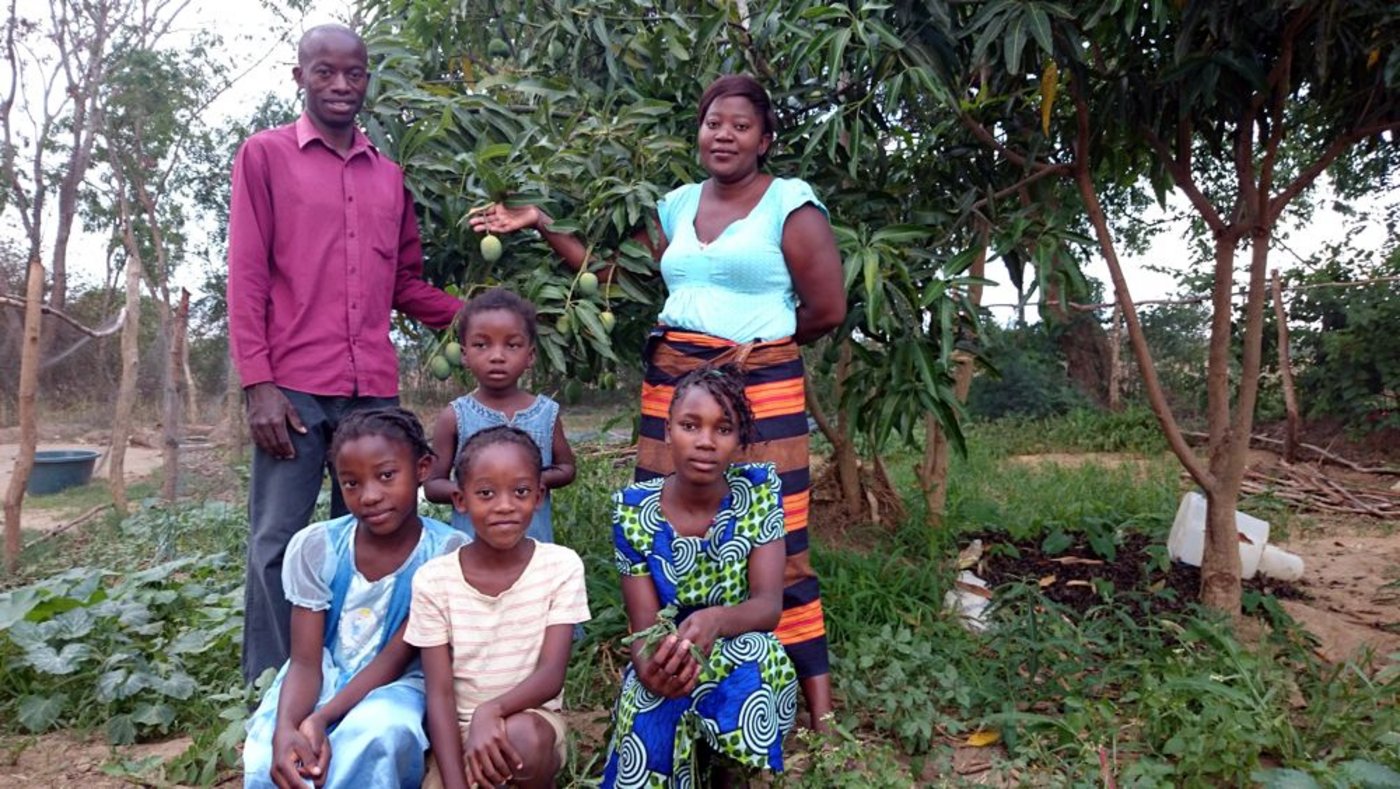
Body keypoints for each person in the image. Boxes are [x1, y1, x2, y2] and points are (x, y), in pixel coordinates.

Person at [469, 73, 845, 725]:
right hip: (675, 385)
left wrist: (755, 348)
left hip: (764, 383)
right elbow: (615, 276)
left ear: (765, 139)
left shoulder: (790, 202)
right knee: (669, 527)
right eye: (713, 122)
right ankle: (672, 676)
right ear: (698, 133)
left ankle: (818, 708)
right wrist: (541, 224)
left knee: (779, 532)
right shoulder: (674, 205)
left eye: (740, 125)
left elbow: (827, 307)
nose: (723, 134)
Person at [227, 23, 463, 684]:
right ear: (298, 76)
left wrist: (473, 316)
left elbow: (406, 284)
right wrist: (258, 382)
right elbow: (246, 274)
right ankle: (272, 685)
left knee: (369, 538)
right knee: (280, 540)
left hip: (372, 392)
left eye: (352, 74)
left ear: (366, 79)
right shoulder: (265, 156)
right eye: (323, 72)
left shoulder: (388, 176)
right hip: (294, 386)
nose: (339, 85)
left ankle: (351, 672)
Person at [242, 407, 467, 789]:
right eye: (351, 483)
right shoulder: (317, 546)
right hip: (319, 680)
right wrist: (286, 727)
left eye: (386, 476)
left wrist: (321, 719)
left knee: (377, 735)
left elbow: (396, 658)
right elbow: (306, 662)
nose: (370, 496)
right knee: (270, 757)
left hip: (395, 684)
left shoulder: (446, 553)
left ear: (423, 468)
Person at [601, 365, 797, 787]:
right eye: (691, 425)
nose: (705, 442)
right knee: (649, 711)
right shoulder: (633, 511)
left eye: (723, 429)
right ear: (669, 431)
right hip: (666, 651)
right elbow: (643, 625)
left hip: (736, 642)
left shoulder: (758, 494)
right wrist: (651, 669)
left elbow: (767, 607)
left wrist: (715, 620)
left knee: (759, 656)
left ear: (739, 439)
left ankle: (734, 775)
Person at [406, 425, 592, 789]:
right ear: (460, 500)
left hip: (530, 719)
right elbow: (439, 695)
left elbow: (551, 674)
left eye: (520, 491)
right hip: (457, 738)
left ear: (538, 496)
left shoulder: (560, 566)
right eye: (486, 493)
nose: (504, 506)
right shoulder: (433, 580)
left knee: (522, 739)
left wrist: (490, 712)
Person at [423, 288, 575, 541]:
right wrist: (474, 490)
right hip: (472, 550)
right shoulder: (454, 416)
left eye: (512, 345)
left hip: (533, 551)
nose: (497, 356)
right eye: (481, 345)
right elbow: (433, 485)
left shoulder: (546, 413)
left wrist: (534, 480)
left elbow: (567, 468)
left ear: (530, 356)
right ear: (464, 355)